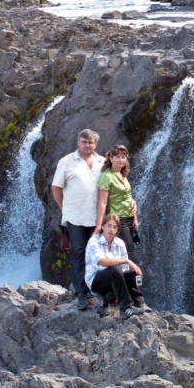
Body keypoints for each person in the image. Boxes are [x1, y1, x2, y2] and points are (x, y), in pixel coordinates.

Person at [51, 128, 104, 311]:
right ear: (78, 143)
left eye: (90, 142)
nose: (87, 145)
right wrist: (65, 208)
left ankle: (98, 291)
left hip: (97, 217)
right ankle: (82, 293)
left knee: (97, 254)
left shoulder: (102, 162)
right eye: (84, 142)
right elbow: (56, 188)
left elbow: (114, 185)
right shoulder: (66, 162)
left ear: (95, 144)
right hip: (75, 217)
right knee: (79, 252)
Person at [85, 213, 145, 319]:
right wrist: (127, 261)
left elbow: (124, 270)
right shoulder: (93, 241)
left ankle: (139, 303)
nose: (111, 229)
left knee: (133, 272)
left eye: (114, 227)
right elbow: (102, 262)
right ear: (102, 226)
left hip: (114, 280)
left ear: (117, 230)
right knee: (115, 268)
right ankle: (125, 308)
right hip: (96, 282)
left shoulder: (120, 243)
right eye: (108, 225)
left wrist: (131, 271)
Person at [95, 145, 139, 263]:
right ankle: (132, 280)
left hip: (129, 218)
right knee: (130, 255)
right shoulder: (106, 176)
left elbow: (128, 197)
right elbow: (102, 202)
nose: (121, 160)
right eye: (117, 157)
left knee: (125, 252)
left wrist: (135, 217)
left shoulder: (122, 174)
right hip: (118, 220)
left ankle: (125, 280)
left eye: (123, 157)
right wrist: (99, 225)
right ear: (111, 158)